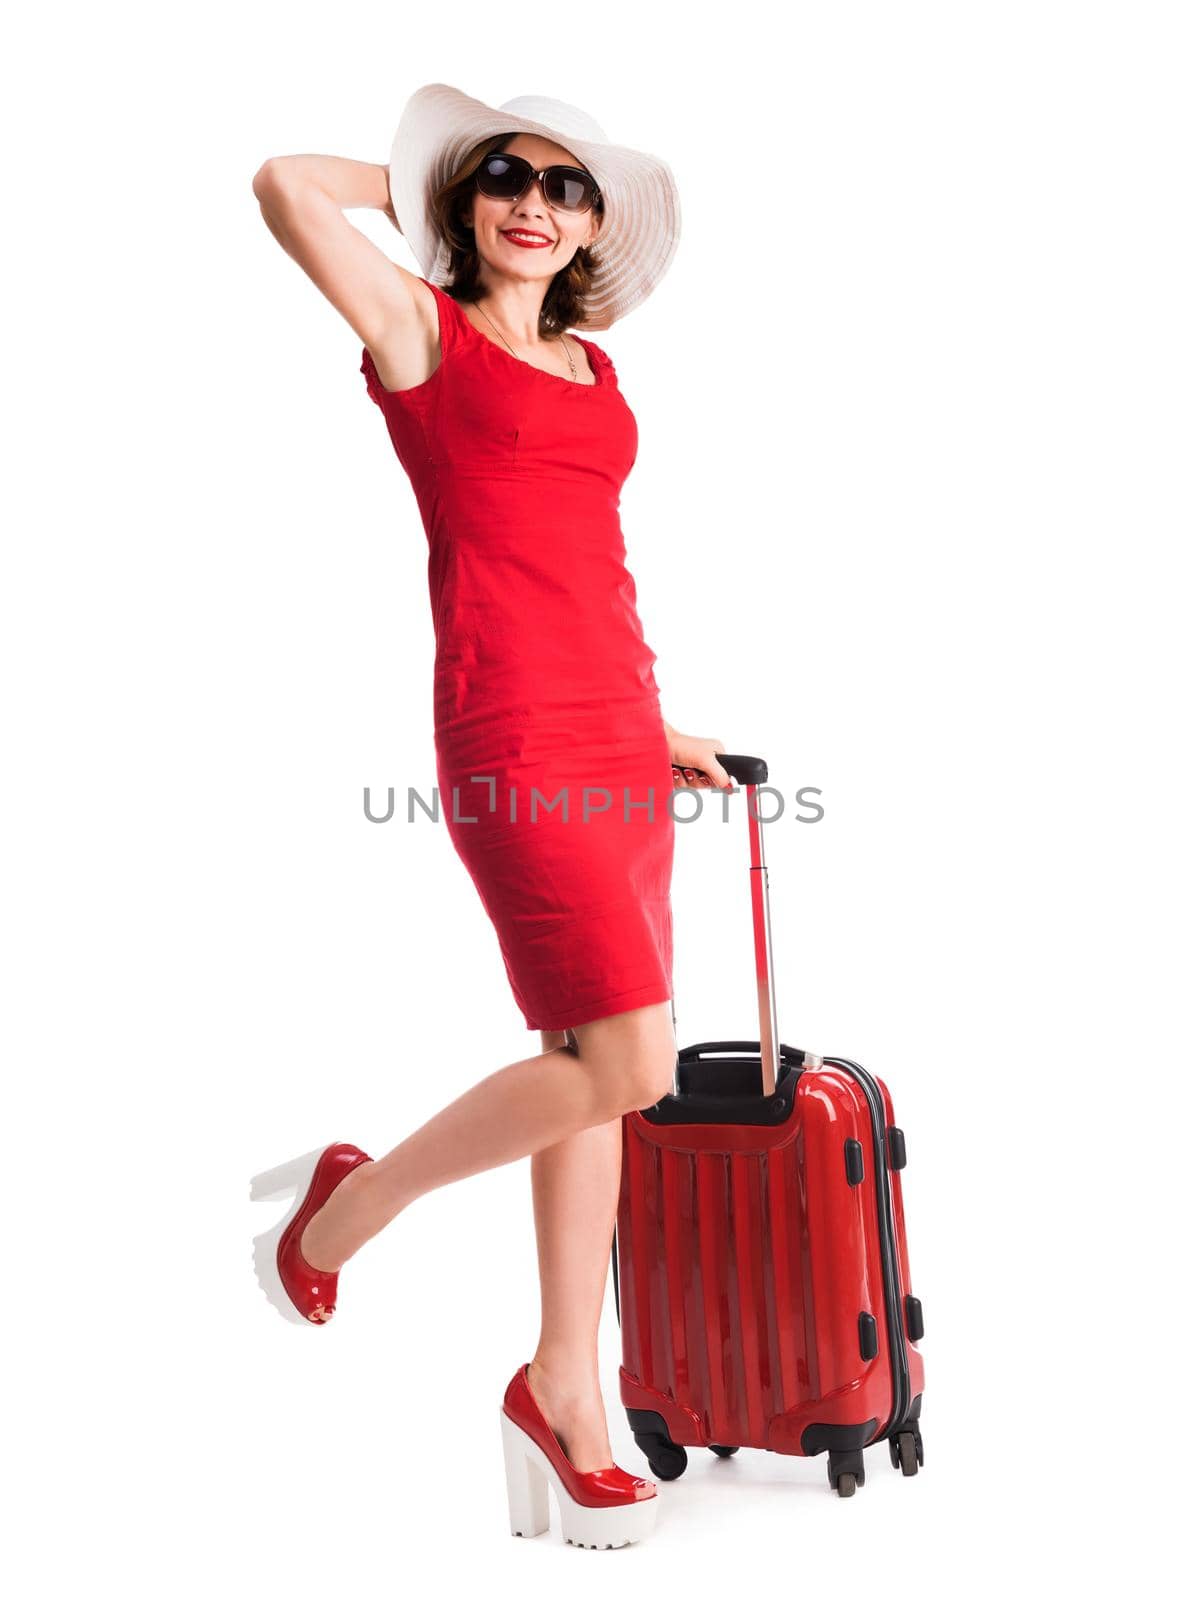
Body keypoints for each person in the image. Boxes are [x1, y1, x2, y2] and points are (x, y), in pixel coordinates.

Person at [248, 84, 733, 1549]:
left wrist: (655, 725)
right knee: (630, 1070)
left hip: (615, 729)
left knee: (586, 1059)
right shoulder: (421, 335)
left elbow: (589, 561)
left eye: (566, 187)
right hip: (511, 729)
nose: (537, 202)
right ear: (466, 201)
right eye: (506, 178)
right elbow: (281, 183)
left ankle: (563, 1388)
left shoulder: (595, 369)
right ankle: (344, 1215)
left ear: (596, 226)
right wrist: (420, 189)